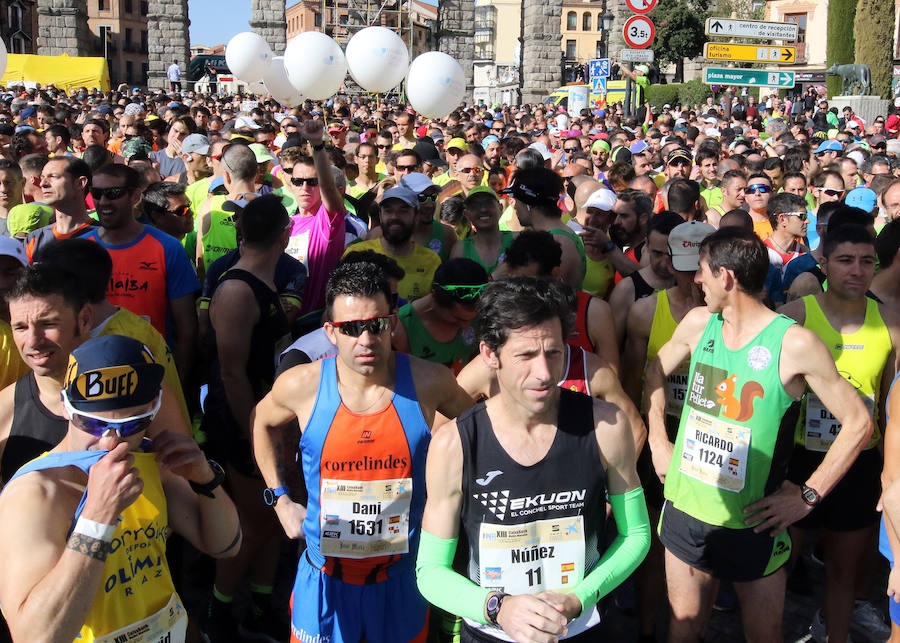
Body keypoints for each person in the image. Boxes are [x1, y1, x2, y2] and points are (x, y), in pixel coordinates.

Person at [646, 227, 874, 642]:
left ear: (726, 277)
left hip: (753, 523)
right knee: (683, 630)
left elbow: (859, 422)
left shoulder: (794, 343)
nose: (696, 280)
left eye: (702, 271)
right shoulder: (698, 323)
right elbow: (654, 370)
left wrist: (808, 495)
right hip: (684, 507)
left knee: (763, 636)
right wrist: (658, 442)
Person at [416, 278, 651, 642]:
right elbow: (430, 570)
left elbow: (635, 535)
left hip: (580, 628)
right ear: (489, 354)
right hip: (493, 633)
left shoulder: (607, 426)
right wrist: (498, 608)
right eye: (525, 355)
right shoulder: (455, 444)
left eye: (554, 352)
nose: (544, 373)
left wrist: (579, 598)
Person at [251, 260, 474, 643]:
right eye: (351, 328)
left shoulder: (431, 382)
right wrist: (280, 499)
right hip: (325, 580)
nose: (366, 340)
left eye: (376, 325)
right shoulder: (301, 385)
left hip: (402, 580)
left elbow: (481, 433)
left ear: (393, 323)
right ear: (330, 332)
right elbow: (261, 422)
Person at [0, 334, 241, 642]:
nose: (110, 442)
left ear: (154, 409)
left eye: (131, 425)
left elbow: (226, 546)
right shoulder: (35, 493)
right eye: (93, 424)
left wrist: (206, 479)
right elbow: (35, 637)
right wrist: (96, 518)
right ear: (65, 407)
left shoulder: (150, 464)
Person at [778, 224, 900, 643]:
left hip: (858, 464)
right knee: (776, 565)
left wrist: (887, 474)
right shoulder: (794, 316)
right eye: (846, 260)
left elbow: (889, 406)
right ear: (824, 264)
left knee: (844, 572)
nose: (857, 271)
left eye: (867, 262)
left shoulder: (891, 324)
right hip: (798, 461)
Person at [202, 194, 294, 641]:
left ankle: (261, 602)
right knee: (254, 524)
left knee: (272, 520)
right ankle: (219, 613)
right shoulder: (237, 290)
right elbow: (231, 375)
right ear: (285, 236)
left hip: (268, 419)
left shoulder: (262, 281)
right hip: (244, 424)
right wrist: (256, 434)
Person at [622, 220, 715, 643]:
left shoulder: (732, 317)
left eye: (702, 268)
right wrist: (639, 444)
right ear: (671, 265)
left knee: (707, 537)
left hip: (710, 436)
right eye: (687, 268)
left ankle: (695, 629)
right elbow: (630, 384)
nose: (694, 279)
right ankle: (646, 629)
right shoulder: (646, 312)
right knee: (656, 538)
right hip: (661, 432)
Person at [79, 165, 200, 380]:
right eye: (96, 193)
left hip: (153, 372)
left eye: (113, 193)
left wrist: (179, 379)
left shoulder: (168, 247)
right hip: (93, 373)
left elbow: (186, 327)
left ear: (135, 196)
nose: (103, 201)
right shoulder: (80, 250)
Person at [345, 186, 441, 301]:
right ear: (381, 216)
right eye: (388, 210)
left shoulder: (431, 261)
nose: (395, 217)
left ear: (416, 216)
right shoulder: (356, 254)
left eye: (403, 211)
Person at [393, 258, 487, 371]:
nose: (467, 326)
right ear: (434, 297)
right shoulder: (401, 326)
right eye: (457, 318)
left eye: (472, 319)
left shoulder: (483, 317)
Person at [501, 167, 586, 289]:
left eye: (516, 198)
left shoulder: (556, 240)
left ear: (529, 203)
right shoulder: (556, 234)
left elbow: (551, 295)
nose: (514, 206)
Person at [608, 211, 682, 349]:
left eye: (671, 255)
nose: (664, 263)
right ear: (646, 244)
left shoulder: (691, 284)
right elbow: (612, 349)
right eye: (657, 254)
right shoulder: (626, 290)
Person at [24, 156, 95, 262]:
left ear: (80, 183)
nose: (43, 184)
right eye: (42, 177)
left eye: (53, 176)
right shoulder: (34, 240)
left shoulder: (105, 237)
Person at [450, 186, 514, 275]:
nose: (483, 209)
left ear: (500, 208)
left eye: (489, 203)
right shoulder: (461, 249)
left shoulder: (516, 241)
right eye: (474, 206)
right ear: (466, 214)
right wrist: (493, 278)